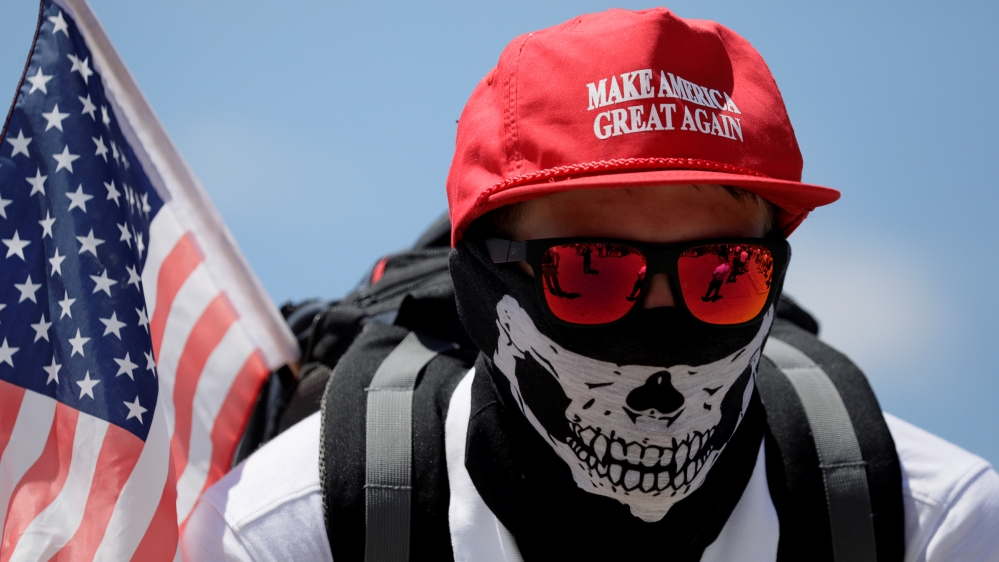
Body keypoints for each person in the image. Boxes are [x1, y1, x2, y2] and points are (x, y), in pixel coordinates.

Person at [183, 8, 999, 561]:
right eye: (591, 271)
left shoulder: (928, 529)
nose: (661, 357)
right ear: (482, 286)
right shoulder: (289, 536)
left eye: (722, 275)